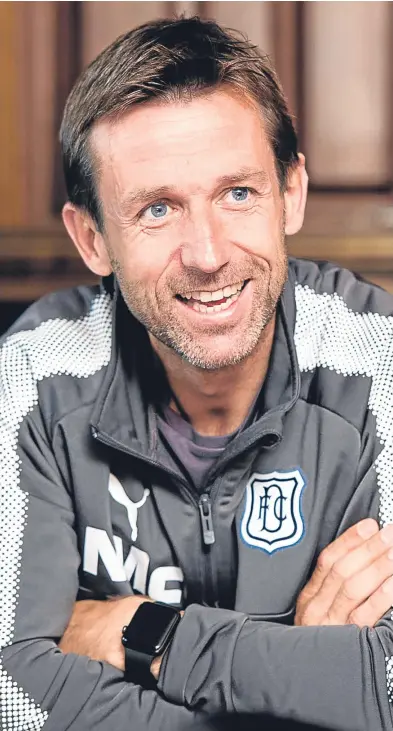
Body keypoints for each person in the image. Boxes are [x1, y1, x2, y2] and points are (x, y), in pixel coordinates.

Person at [1, 15, 393, 731]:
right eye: (157, 209)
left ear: (292, 193)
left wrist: (144, 632)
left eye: (237, 193)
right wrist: (299, 683)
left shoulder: (378, 364)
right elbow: (10, 696)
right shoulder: (35, 375)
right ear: (91, 238)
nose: (208, 252)